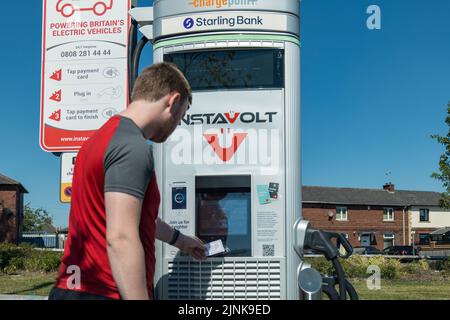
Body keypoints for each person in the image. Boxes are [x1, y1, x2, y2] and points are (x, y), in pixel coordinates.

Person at [49, 63, 205, 300]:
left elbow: (133, 216)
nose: (176, 126)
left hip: (71, 288)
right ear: (172, 101)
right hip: (104, 292)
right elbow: (121, 237)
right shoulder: (132, 147)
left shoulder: (98, 140)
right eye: (181, 116)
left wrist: (181, 241)